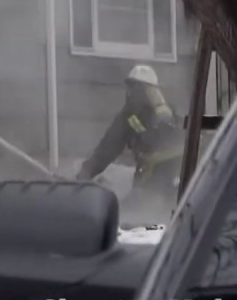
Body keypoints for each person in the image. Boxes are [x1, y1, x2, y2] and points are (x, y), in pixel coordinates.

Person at [76, 65, 185, 218]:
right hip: (176, 178)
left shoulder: (131, 116)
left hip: (155, 179)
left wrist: (85, 174)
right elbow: (107, 149)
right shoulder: (170, 111)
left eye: (136, 87)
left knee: (128, 214)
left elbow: (107, 149)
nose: (133, 92)